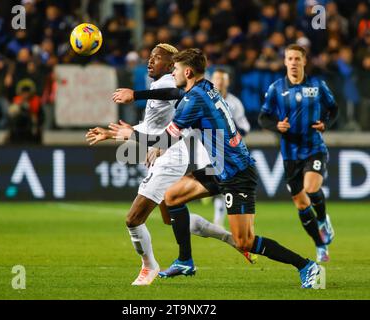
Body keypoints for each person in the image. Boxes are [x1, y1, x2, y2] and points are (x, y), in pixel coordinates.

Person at [106, 48, 325, 289]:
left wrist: (130, 133)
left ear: (187, 72)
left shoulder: (192, 101)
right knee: (171, 197)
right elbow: (173, 91)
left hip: (235, 173)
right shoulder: (205, 86)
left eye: (176, 70)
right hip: (217, 168)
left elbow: (166, 140)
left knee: (245, 241)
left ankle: (306, 266)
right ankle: (185, 260)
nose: (173, 74)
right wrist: (137, 95)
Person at [86, 44, 255, 286]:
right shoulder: (159, 84)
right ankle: (229, 240)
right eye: (150, 57)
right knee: (172, 216)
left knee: (133, 219)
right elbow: (151, 128)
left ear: (170, 65)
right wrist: (113, 134)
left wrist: (136, 95)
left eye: (157, 58)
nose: (150, 61)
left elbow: (176, 95)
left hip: (171, 157)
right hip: (165, 151)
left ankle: (149, 266)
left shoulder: (168, 82)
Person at [258, 44, 338, 263]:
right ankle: (321, 245)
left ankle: (322, 220)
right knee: (301, 204)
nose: (293, 62)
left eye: (297, 58)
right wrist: (277, 126)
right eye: (289, 58)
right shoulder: (276, 88)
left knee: (312, 188)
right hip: (290, 154)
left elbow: (333, 109)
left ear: (304, 61)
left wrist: (326, 123)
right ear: (285, 62)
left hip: (314, 148)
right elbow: (263, 117)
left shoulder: (317, 85)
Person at [211, 69, 250, 227]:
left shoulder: (234, 103)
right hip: (207, 149)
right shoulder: (205, 99)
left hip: (228, 152)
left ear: (227, 82)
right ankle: (219, 216)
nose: (219, 82)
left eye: (222, 79)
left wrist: (233, 135)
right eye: (217, 78)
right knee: (218, 184)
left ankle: (221, 219)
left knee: (225, 185)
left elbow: (245, 127)